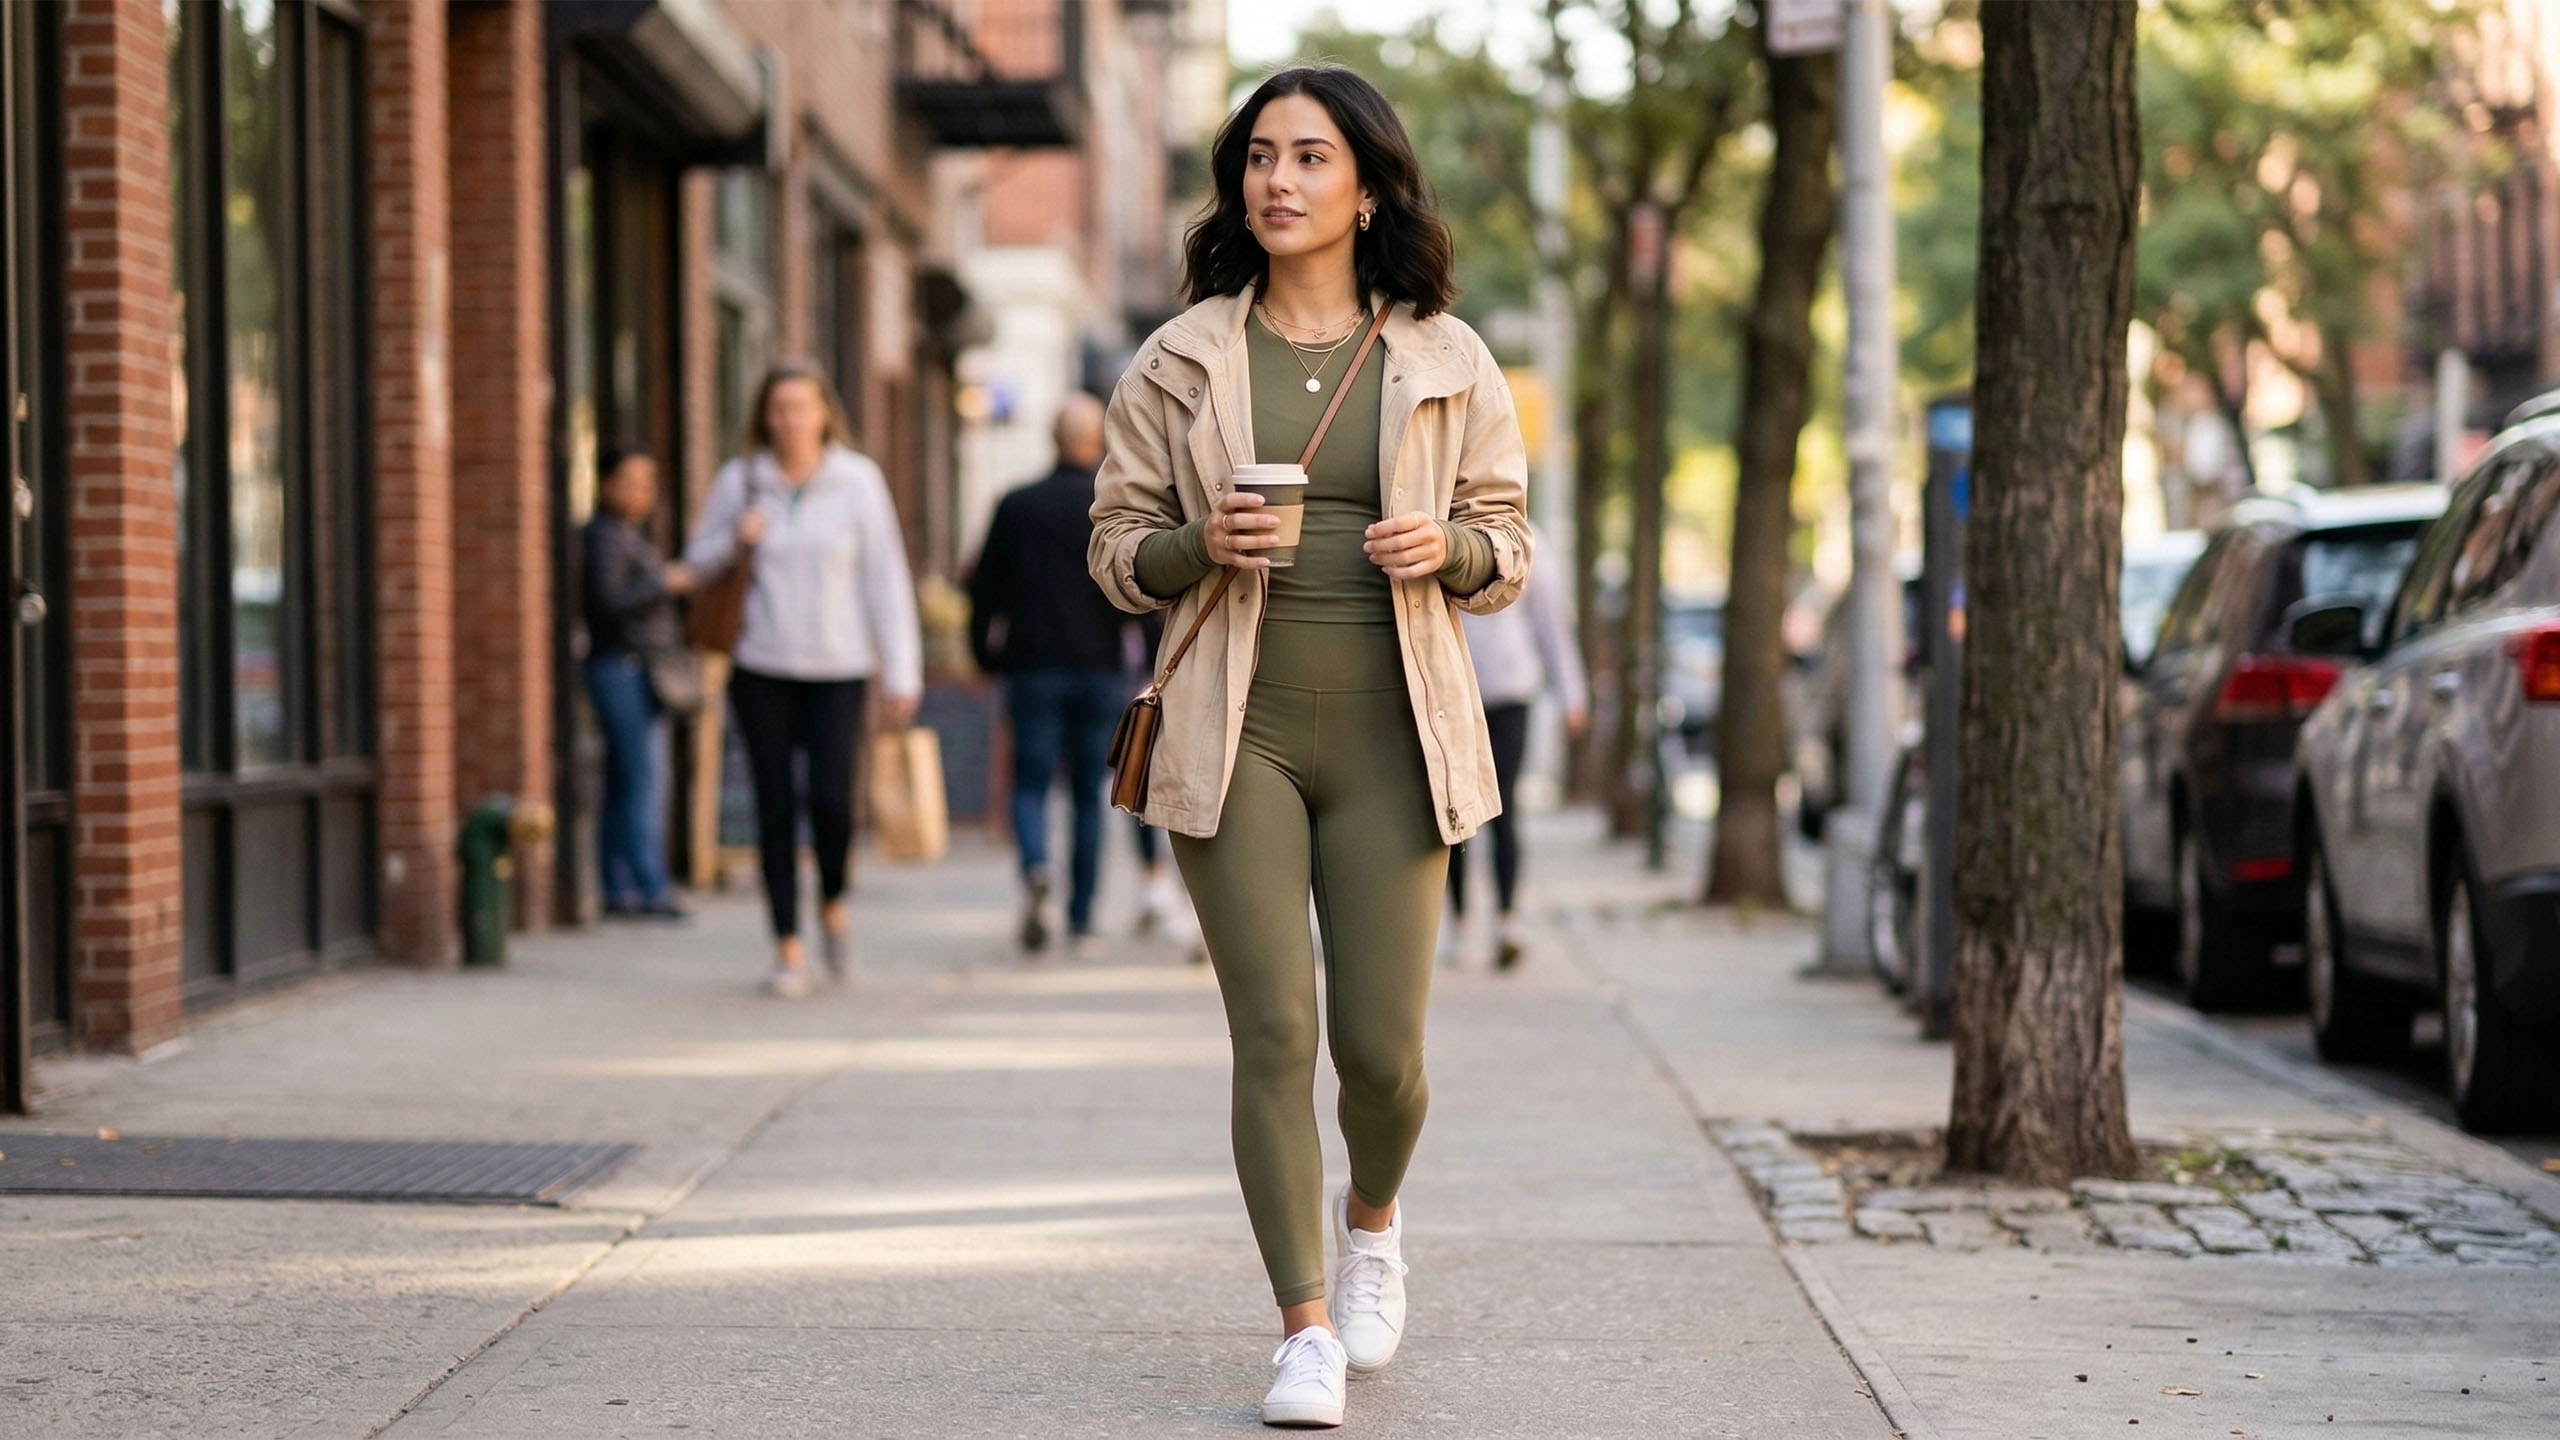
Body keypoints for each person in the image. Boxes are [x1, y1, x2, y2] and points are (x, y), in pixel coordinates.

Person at [1087, 65, 1530, 1429]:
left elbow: (1510, 548)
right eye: (1260, 158)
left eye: (1310, 157)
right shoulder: (1180, 360)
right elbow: (1113, 553)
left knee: (1383, 1055)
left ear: (1367, 185)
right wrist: (1193, 543)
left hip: (1401, 732)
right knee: (1274, 1029)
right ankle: (1305, 1328)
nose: (1279, 181)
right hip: (1238, 727)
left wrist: (1447, 547)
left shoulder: (1448, 358)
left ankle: (1375, 1224)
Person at [684, 363, 922, 999]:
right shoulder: (741, 481)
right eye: (778, 408)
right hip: (761, 667)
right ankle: (788, 946)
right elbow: (695, 562)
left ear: (824, 414)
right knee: (772, 807)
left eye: (801, 407)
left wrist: (901, 670)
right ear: (764, 416)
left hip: (838, 667)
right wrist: (736, 540)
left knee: (832, 804)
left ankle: (834, 902)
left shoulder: (857, 481)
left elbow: (885, 579)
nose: (789, 420)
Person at [968, 393, 1134, 959]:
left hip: (1030, 665)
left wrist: (982, 652)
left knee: (1031, 783)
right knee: (1089, 792)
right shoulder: (1112, 505)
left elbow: (984, 586)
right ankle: (1082, 918)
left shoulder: (1017, 505)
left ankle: (1037, 862)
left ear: (1052, 439)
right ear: (1096, 442)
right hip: (1098, 667)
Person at [1446, 527, 1587, 969]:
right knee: (1455, 815)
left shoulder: (1532, 543)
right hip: (1454, 694)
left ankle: (1507, 920)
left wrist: (1573, 695)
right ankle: (1460, 923)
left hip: (1510, 694)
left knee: (1505, 810)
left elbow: (1551, 627)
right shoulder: (1447, 531)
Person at [582, 449, 696, 921]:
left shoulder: (629, 536)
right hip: (623, 668)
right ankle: (650, 887)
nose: (640, 493)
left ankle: (620, 886)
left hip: (634, 669)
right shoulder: (604, 537)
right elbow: (607, 601)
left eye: (648, 483)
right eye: (629, 482)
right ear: (605, 483)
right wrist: (662, 583)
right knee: (642, 781)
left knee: (627, 780)